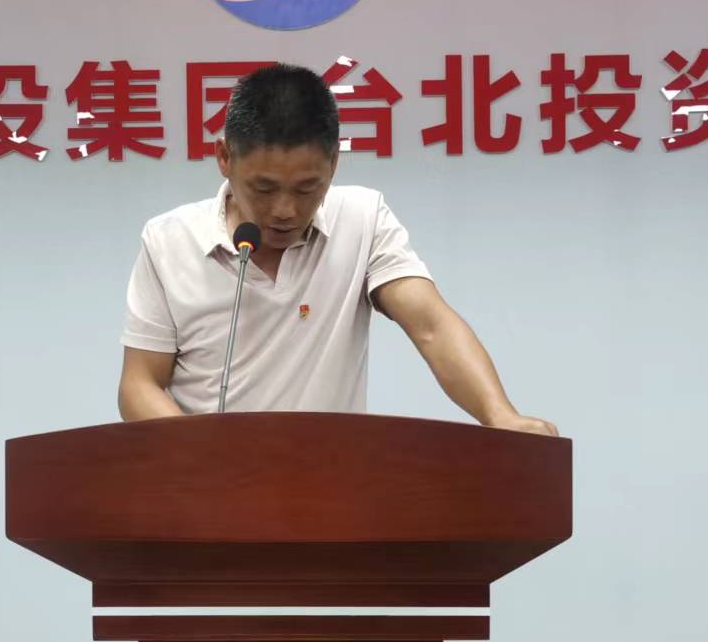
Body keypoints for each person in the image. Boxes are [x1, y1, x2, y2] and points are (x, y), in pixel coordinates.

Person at [117, 63, 558, 436]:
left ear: (334, 164)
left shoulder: (362, 219)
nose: (285, 211)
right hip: (210, 491)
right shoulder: (168, 240)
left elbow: (431, 326)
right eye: (264, 188)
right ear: (224, 157)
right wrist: (202, 458)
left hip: (331, 489)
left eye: (307, 188)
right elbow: (140, 384)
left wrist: (500, 416)